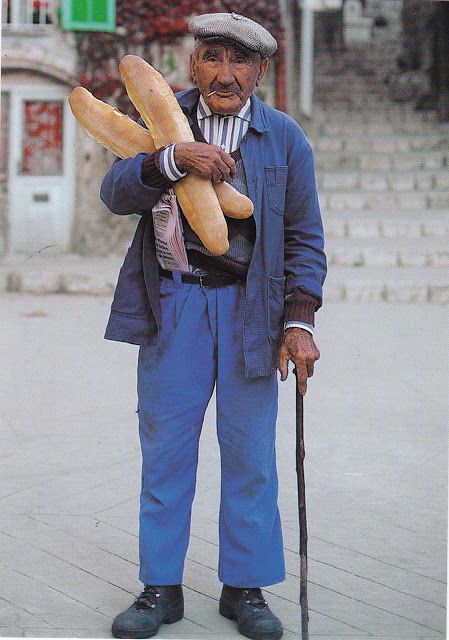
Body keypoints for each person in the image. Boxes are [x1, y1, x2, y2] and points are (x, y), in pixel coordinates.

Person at [100, 12, 326, 640]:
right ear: (193, 63)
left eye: (241, 62)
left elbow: (305, 238)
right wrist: (168, 160)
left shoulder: (284, 138)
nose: (226, 74)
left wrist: (300, 321)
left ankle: (244, 588)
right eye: (214, 58)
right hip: (175, 302)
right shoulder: (162, 119)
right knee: (166, 446)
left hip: (254, 312)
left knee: (251, 453)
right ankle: (159, 590)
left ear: (260, 71)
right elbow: (115, 192)